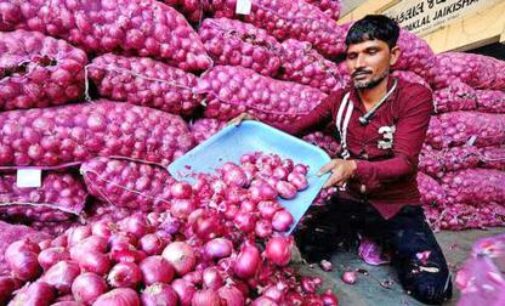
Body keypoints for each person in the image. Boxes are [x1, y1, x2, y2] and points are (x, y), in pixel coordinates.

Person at [232, 15, 452, 305]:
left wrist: (353, 167)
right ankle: (363, 234)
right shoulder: (340, 100)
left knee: (433, 290)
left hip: (396, 206)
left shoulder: (413, 97)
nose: (359, 64)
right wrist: (255, 124)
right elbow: (296, 128)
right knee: (307, 245)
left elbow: (405, 163)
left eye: (371, 52)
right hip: (351, 201)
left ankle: (380, 237)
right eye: (352, 56)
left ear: (394, 55)